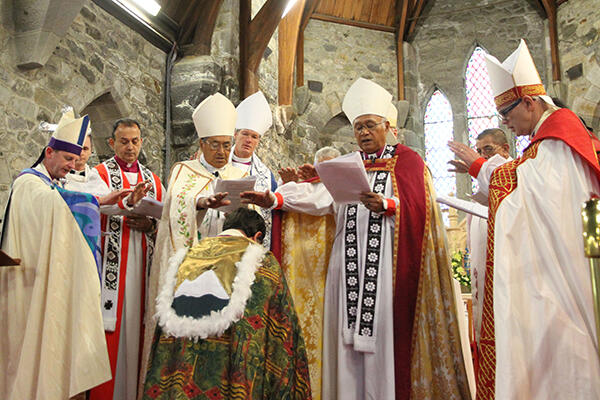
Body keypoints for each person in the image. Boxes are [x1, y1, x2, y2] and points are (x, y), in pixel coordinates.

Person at [242, 78, 471, 399]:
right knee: (345, 348)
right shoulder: (347, 166)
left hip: (388, 274)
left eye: (369, 126)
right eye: (358, 127)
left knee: (384, 344)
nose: (363, 133)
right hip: (345, 271)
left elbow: (424, 210)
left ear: (387, 126)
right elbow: (318, 198)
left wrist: (388, 205)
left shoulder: (408, 163)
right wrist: (275, 200)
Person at [472, 39, 600, 399]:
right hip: (574, 257)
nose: (506, 124)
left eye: (508, 114)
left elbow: (548, 196)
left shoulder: (560, 137)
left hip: (565, 270)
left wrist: (485, 170)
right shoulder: (552, 139)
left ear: (529, 102)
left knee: (567, 346)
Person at [0, 110, 131, 399]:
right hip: (26, 283)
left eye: (76, 160)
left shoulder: (50, 185)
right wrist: (95, 200)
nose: (72, 166)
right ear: (49, 152)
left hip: (46, 279)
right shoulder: (28, 183)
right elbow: (54, 205)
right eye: (67, 159)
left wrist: (99, 200)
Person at [138, 92, 247, 393]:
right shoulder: (183, 171)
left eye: (228, 145)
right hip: (190, 270)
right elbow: (177, 206)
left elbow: (249, 221)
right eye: (216, 145)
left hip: (226, 270)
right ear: (201, 144)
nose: (223, 152)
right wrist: (201, 202)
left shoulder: (240, 174)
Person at [142, 207, 311, 399]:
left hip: (178, 375)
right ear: (256, 237)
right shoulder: (262, 263)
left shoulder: (185, 257)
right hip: (228, 379)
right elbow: (283, 331)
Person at [89, 118, 164, 400]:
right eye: (123, 141)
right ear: (111, 143)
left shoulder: (154, 180)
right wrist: (128, 202)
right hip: (110, 265)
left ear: (141, 142)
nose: (130, 147)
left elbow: (164, 217)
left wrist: (151, 226)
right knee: (112, 329)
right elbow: (98, 205)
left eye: (135, 141)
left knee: (138, 331)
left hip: (143, 267)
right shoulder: (98, 174)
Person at [447, 128, 512, 349]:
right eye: (478, 151)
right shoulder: (487, 181)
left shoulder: (512, 174)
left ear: (505, 150)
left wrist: (477, 169)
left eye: (488, 150)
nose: (482, 156)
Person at [230, 91, 278, 248]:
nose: (249, 140)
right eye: (245, 134)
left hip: (250, 237)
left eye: (254, 136)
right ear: (235, 134)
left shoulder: (266, 176)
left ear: (258, 141)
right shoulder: (219, 165)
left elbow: (272, 209)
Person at [65, 129, 110, 197]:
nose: (81, 153)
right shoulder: (57, 177)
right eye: (77, 148)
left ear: (91, 150)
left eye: (85, 149)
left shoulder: (97, 178)